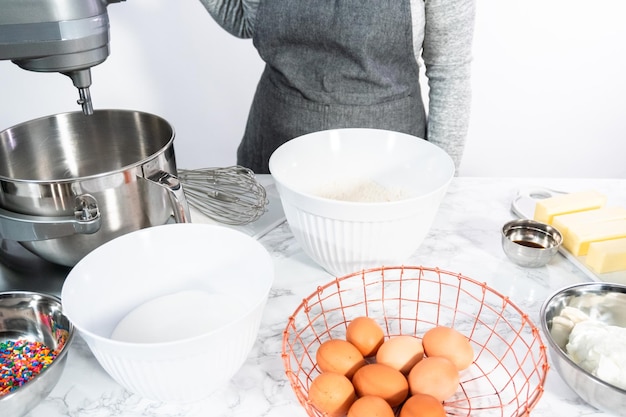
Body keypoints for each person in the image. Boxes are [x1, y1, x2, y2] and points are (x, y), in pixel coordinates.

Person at [198, 0, 475, 174]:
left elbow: (448, 70)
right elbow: (245, 21)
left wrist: (442, 178)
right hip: (274, 149)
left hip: (388, 163)